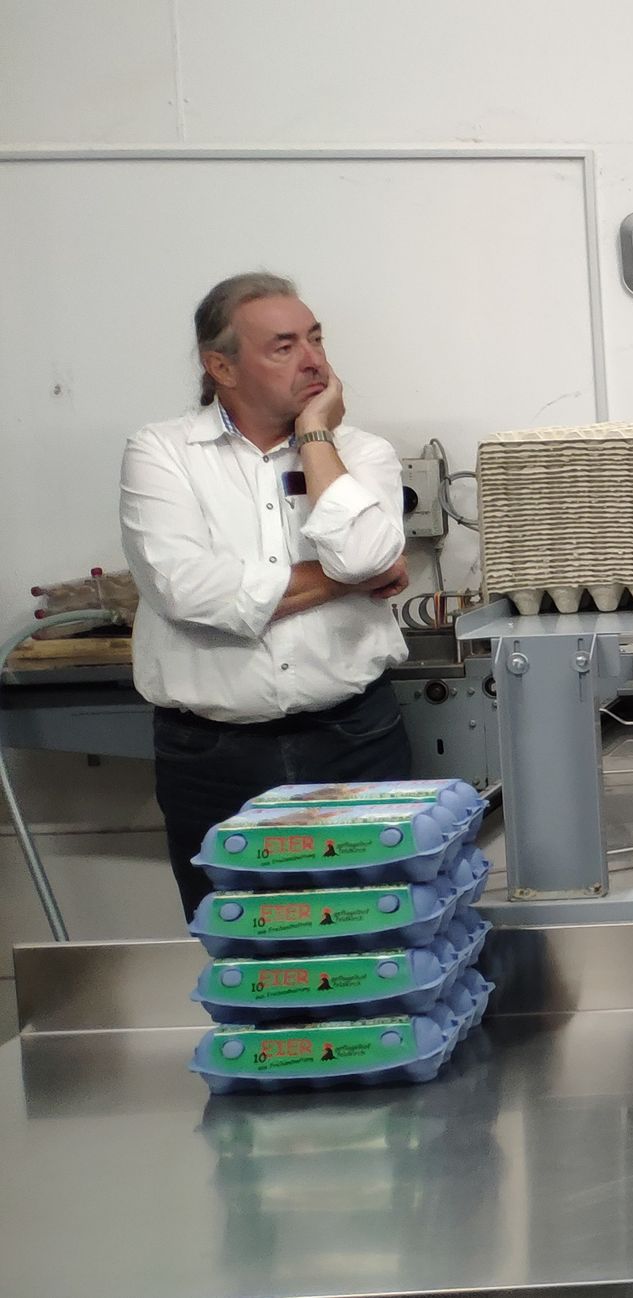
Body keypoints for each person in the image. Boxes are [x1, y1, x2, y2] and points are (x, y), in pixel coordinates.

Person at [120, 273, 414, 916]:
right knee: (242, 937)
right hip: (212, 757)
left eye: (316, 339)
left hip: (354, 741)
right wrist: (349, 578)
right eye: (284, 346)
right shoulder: (163, 451)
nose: (313, 360)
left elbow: (363, 553)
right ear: (221, 366)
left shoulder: (362, 452)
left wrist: (316, 434)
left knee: (375, 930)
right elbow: (187, 592)